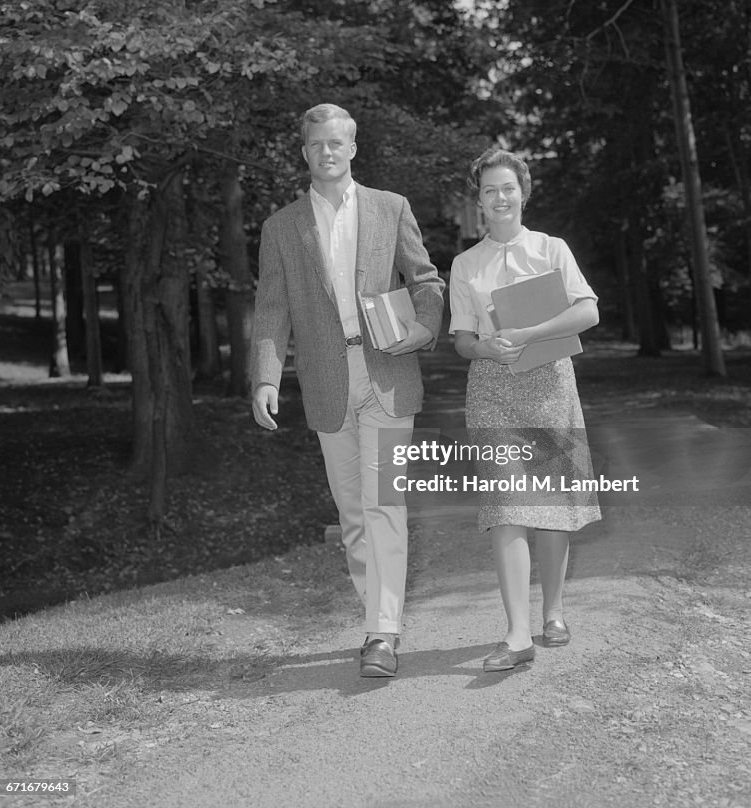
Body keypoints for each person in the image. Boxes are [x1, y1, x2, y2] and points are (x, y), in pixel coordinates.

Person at [250, 103, 444, 679]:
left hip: (388, 375)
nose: (326, 152)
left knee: (385, 504)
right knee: (353, 513)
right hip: (327, 384)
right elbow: (271, 309)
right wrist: (264, 376)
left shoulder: (391, 208)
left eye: (337, 143)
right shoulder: (281, 226)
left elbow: (427, 280)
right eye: (316, 145)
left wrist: (423, 329)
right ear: (304, 152)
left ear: (353, 149)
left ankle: (382, 633)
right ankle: (376, 621)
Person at [449, 148, 601, 672]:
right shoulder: (466, 263)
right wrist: (488, 347)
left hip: (552, 383)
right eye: (489, 190)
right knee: (508, 507)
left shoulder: (551, 249)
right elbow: (463, 340)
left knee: (552, 505)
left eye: (507, 188)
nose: (499, 198)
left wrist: (532, 332)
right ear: (480, 199)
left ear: (523, 191)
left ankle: (553, 611)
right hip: (492, 389)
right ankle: (517, 634)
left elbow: (588, 310)